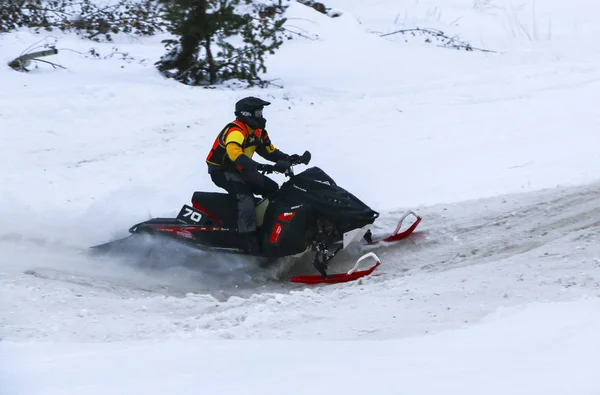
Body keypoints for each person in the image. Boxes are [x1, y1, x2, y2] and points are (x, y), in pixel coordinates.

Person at [205, 96, 308, 253]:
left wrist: (289, 158)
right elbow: (235, 155)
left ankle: (269, 227)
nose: (261, 116)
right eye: (258, 113)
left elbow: (269, 151)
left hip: (243, 169)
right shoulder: (235, 131)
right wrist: (260, 166)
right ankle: (248, 239)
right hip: (222, 170)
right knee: (245, 198)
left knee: (274, 189)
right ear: (247, 114)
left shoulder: (258, 132)